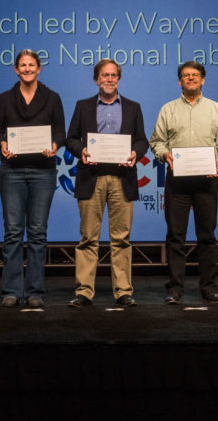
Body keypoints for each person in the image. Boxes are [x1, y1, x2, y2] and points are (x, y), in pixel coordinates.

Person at [149, 60, 218, 305]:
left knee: (207, 236)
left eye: (195, 75)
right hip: (177, 182)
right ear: (179, 81)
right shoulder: (168, 109)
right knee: (175, 237)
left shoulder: (216, 109)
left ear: (203, 80)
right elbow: (156, 141)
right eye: (186, 75)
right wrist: (165, 154)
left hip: (207, 182)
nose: (190, 78)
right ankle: (175, 289)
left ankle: (208, 288)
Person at [64, 59, 149, 308]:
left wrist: (136, 153)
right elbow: (70, 139)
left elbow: (142, 140)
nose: (109, 79)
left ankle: (123, 291)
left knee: (121, 238)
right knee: (87, 238)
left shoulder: (133, 107)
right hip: (92, 178)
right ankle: (84, 292)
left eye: (113, 75)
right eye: (104, 75)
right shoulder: (83, 106)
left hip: (123, 179)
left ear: (118, 79)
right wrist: (82, 151)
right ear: (96, 79)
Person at [0, 49, 66, 308]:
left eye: (31, 65)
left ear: (39, 68)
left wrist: (55, 145)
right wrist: (1, 143)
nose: (27, 69)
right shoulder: (4, 98)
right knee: (12, 233)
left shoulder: (52, 97)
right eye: (22, 65)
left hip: (43, 171)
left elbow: (60, 131)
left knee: (37, 233)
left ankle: (35, 292)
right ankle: (10, 291)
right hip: (11, 171)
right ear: (16, 70)